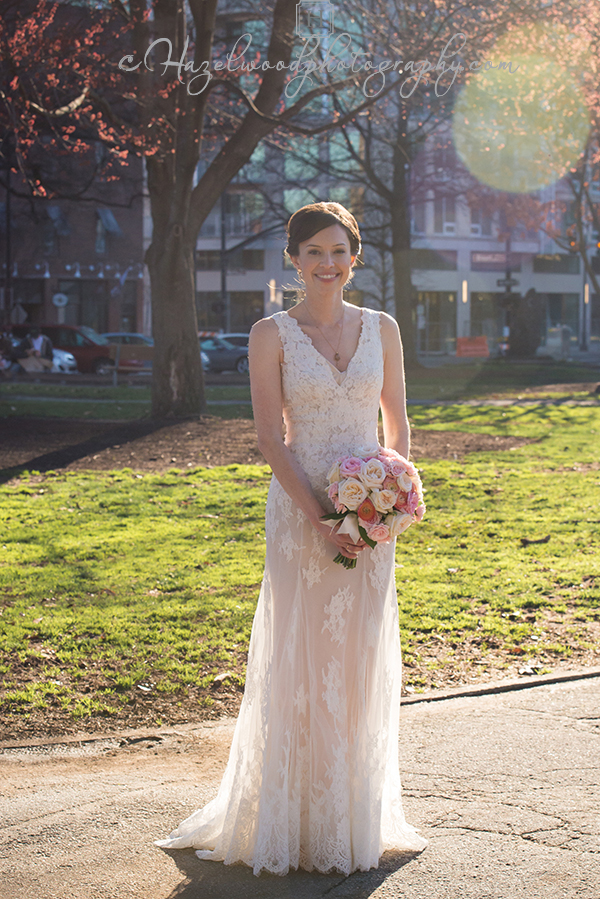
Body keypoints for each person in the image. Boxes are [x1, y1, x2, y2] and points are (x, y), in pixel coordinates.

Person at [155, 202, 427, 874]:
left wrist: (389, 498)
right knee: (301, 655)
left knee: (359, 657)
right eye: (312, 252)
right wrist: (322, 520)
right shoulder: (270, 332)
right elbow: (270, 439)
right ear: (294, 259)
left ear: (354, 256)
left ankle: (349, 817)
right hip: (304, 509)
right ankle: (293, 817)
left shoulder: (383, 328)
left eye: (337, 251)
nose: (326, 264)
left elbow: (398, 424)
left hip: (368, 516)